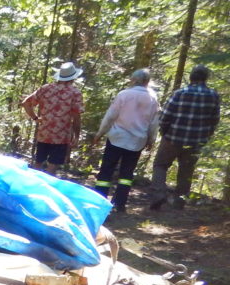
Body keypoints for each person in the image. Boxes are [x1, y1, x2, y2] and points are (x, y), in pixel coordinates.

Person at [150, 64, 220, 209]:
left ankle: (159, 195)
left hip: (173, 137)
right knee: (186, 170)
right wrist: (207, 136)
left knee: (160, 165)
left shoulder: (180, 93)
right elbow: (214, 119)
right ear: (205, 78)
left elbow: (165, 116)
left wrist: (164, 132)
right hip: (196, 141)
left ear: (191, 77)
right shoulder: (213, 95)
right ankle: (179, 203)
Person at [92, 69, 159, 213]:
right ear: (147, 81)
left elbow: (110, 116)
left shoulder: (124, 95)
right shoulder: (153, 98)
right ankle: (120, 204)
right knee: (127, 173)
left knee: (106, 170)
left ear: (133, 80)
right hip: (137, 141)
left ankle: (99, 200)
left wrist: (100, 133)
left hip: (117, 137)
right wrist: (151, 139)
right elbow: (154, 122)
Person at [22, 62, 85, 176]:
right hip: (61, 136)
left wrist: (35, 118)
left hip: (44, 133)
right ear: (73, 78)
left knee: (38, 163)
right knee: (52, 166)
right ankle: (46, 188)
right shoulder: (75, 93)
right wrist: (76, 135)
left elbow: (26, 103)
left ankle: (32, 185)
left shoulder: (46, 88)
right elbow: (76, 117)